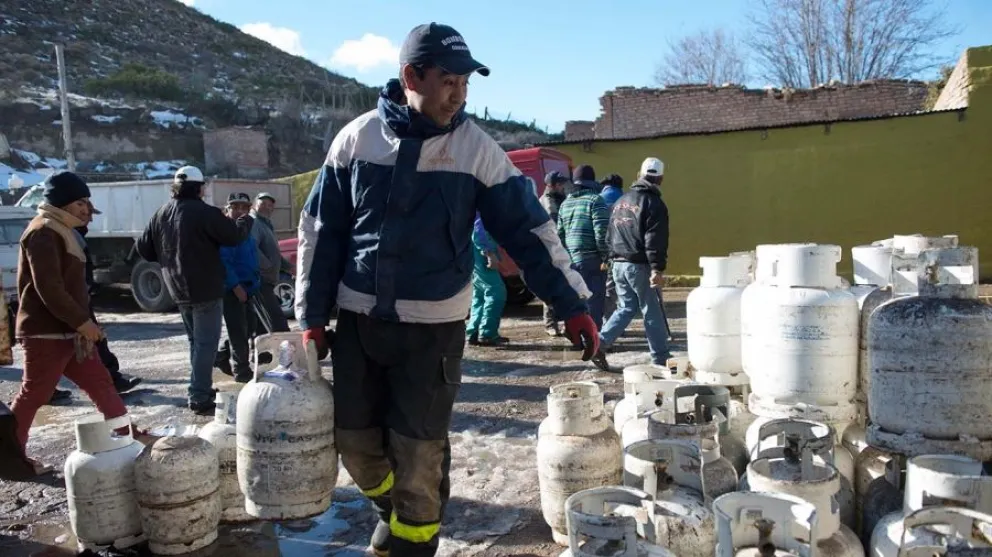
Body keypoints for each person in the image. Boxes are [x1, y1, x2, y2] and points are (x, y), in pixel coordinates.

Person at [296, 22, 598, 557]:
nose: (458, 95)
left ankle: (415, 541)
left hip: (433, 332)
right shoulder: (357, 140)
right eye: (449, 81)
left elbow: (529, 232)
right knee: (355, 445)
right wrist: (312, 315)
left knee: (418, 454)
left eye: (465, 84)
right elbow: (321, 231)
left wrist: (570, 304)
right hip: (359, 323)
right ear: (411, 77)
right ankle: (393, 510)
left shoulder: (475, 149)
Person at [11, 171, 130, 475]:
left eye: (87, 203)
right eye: (80, 203)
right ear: (62, 203)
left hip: (70, 333)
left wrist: (84, 324)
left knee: (101, 383)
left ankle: (128, 437)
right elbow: (49, 288)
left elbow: (71, 288)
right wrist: (83, 323)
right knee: (35, 394)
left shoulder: (62, 229)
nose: (87, 209)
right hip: (46, 333)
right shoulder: (43, 231)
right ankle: (10, 456)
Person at [136, 166, 253, 415]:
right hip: (205, 288)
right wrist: (245, 221)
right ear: (199, 188)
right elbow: (234, 236)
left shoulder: (160, 213)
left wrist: (168, 259)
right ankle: (199, 395)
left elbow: (143, 249)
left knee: (196, 343)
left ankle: (201, 388)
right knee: (206, 344)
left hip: (177, 288)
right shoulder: (205, 212)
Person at [591, 157, 672, 372]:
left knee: (626, 308)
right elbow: (655, 240)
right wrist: (657, 269)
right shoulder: (654, 204)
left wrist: (609, 259)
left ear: (639, 175)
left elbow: (609, 234)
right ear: (661, 179)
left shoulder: (621, 201)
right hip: (639, 266)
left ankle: (600, 343)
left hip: (618, 264)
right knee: (652, 310)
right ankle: (661, 358)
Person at [78, 201, 142, 394]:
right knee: (93, 344)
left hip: (80, 300)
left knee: (94, 345)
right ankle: (111, 382)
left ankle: (111, 383)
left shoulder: (76, 235)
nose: (90, 219)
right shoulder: (68, 236)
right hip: (76, 303)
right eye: (87, 214)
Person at [557, 164, 610, 329]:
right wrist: (606, 256)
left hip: (572, 260)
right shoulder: (596, 200)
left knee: (576, 300)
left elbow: (560, 234)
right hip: (592, 259)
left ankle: (577, 334)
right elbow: (601, 232)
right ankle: (593, 337)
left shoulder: (565, 204)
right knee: (594, 301)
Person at [215, 193, 261, 382]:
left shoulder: (246, 230)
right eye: (235, 207)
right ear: (227, 209)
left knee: (250, 327)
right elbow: (223, 263)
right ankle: (241, 371)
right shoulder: (226, 232)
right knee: (238, 331)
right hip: (233, 290)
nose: (240, 211)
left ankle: (221, 356)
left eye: (244, 207)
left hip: (249, 288)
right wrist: (235, 286)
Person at [249, 192, 292, 333]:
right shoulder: (254, 222)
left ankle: (260, 346)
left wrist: (289, 267)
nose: (267, 207)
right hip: (260, 280)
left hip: (267, 281)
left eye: (270, 205)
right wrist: (268, 267)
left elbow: (273, 253)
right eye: (263, 204)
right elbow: (253, 248)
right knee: (277, 320)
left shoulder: (266, 224)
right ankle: (284, 343)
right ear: (254, 205)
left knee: (261, 324)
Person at [466, 214, 507, 346]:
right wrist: (489, 252)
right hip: (482, 253)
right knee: (496, 292)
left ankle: (473, 331)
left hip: (474, 253)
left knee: (479, 294)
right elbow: (479, 231)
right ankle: (487, 333)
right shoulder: (485, 207)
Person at [539, 170, 568, 337]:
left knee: (563, 286)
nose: (563, 186)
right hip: (550, 249)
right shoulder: (548, 203)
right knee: (551, 286)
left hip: (558, 248)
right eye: (561, 184)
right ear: (554, 185)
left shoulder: (559, 199)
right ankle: (550, 324)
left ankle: (562, 322)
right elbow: (554, 228)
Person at [599, 173, 624, 320]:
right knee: (617, 288)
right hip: (621, 250)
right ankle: (613, 321)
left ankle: (603, 320)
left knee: (602, 287)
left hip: (599, 249)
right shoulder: (625, 199)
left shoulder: (598, 199)